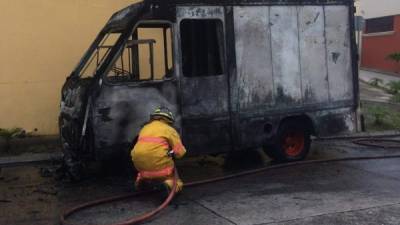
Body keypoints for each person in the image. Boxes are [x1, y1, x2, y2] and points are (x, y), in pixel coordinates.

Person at [131, 106, 186, 194]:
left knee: (146, 169)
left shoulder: (145, 128)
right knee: (176, 181)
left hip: (139, 165)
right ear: (169, 119)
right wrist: (172, 153)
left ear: (154, 117)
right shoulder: (169, 129)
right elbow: (180, 153)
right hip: (159, 167)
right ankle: (168, 186)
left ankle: (140, 181)